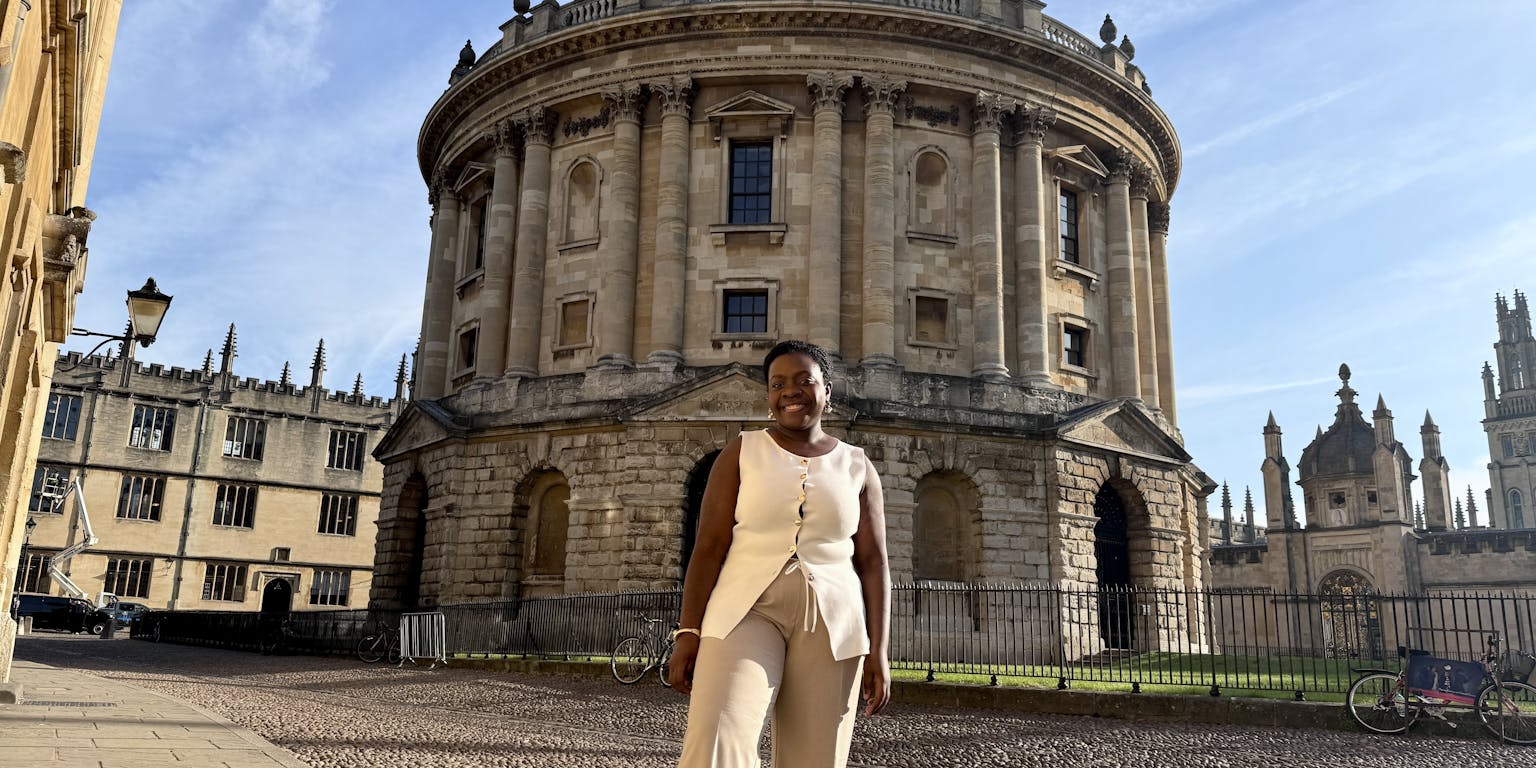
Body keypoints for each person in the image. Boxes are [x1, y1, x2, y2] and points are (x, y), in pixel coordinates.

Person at [669, 339, 890, 768]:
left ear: (827, 391)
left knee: (816, 759)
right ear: (769, 396)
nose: (791, 390)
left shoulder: (857, 465)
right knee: (716, 740)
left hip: (834, 622)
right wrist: (688, 632)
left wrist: (878, 650)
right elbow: (709, 546)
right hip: (744, 611)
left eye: (805, 380)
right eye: (778, 383)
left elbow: (874, 562)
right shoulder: (741, 452)